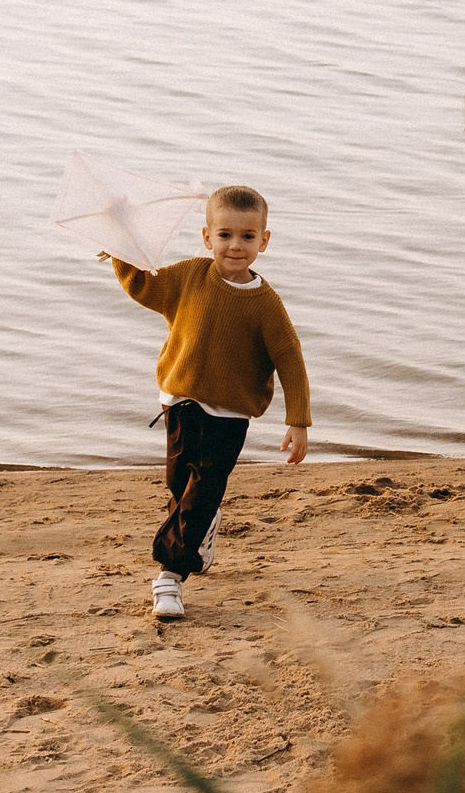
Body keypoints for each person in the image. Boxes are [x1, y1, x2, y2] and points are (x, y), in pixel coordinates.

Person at [103, 185, 311, 622]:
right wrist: (120, 246)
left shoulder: (265, 304)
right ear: (206, 237)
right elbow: (144, 285)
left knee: (202, 492)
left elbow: (289, 359)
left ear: (264, 240)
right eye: (225, 235)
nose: (236, 245)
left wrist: (298, 421)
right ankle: (203, 526)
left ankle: (170, 575)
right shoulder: (189, 277)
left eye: (248, 237)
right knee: (180, 486)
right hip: (178, 402)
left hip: (230, 415)